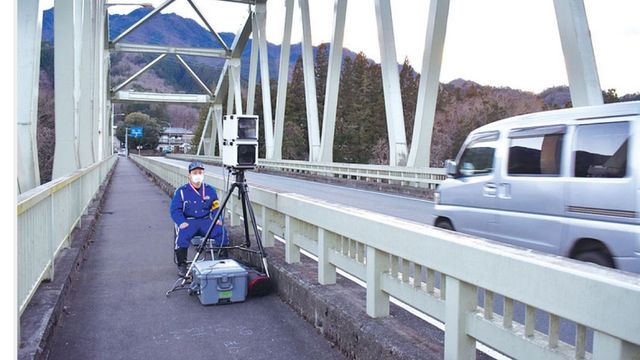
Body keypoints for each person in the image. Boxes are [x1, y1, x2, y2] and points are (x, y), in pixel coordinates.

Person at [169, 161, 228, 277]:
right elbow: (175, 210)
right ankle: (182, 265)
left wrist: (218, 218)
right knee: (182, 237)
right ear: (189, 175)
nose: (197, 175)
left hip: (206, 221)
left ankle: (223, 259)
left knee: (221, 231)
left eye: (200, 172)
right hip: (189, 222)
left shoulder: (210, 190)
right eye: (195, 173)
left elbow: (216, 208)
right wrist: (181, 222)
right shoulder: (181, 191)